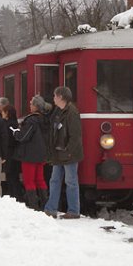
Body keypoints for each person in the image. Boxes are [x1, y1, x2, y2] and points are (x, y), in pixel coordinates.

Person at [44, 86, 83, 219]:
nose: (53, 98)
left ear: (61, 97)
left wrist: (69, 152)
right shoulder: (59, 111)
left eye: (55, 96)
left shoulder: (72, 112)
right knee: (54, 180)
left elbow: (75, 136)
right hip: (59, 153)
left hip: (68, 154)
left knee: (70, 181)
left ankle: (73, 211)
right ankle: (51, 209)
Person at [13, 96, 51, 210]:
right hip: (42, 155)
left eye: (31, 104)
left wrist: (16, 133)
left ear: (35, 106)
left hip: (30, 155)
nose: (30, 106)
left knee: (29, 180)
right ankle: (45, 203)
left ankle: (34, 205)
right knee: (40, 179)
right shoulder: (46, 119)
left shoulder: (31, 120)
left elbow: (24, 136)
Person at [0, 104, 23, 201]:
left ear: (7, 113)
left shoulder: (7, 125)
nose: (2, 113)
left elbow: (6, 140)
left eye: (3, 111)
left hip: (9, 155)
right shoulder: (16, 124)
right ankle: (17, 197)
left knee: (11, 178)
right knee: (15, 177)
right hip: (16, 155)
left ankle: (15, 198)